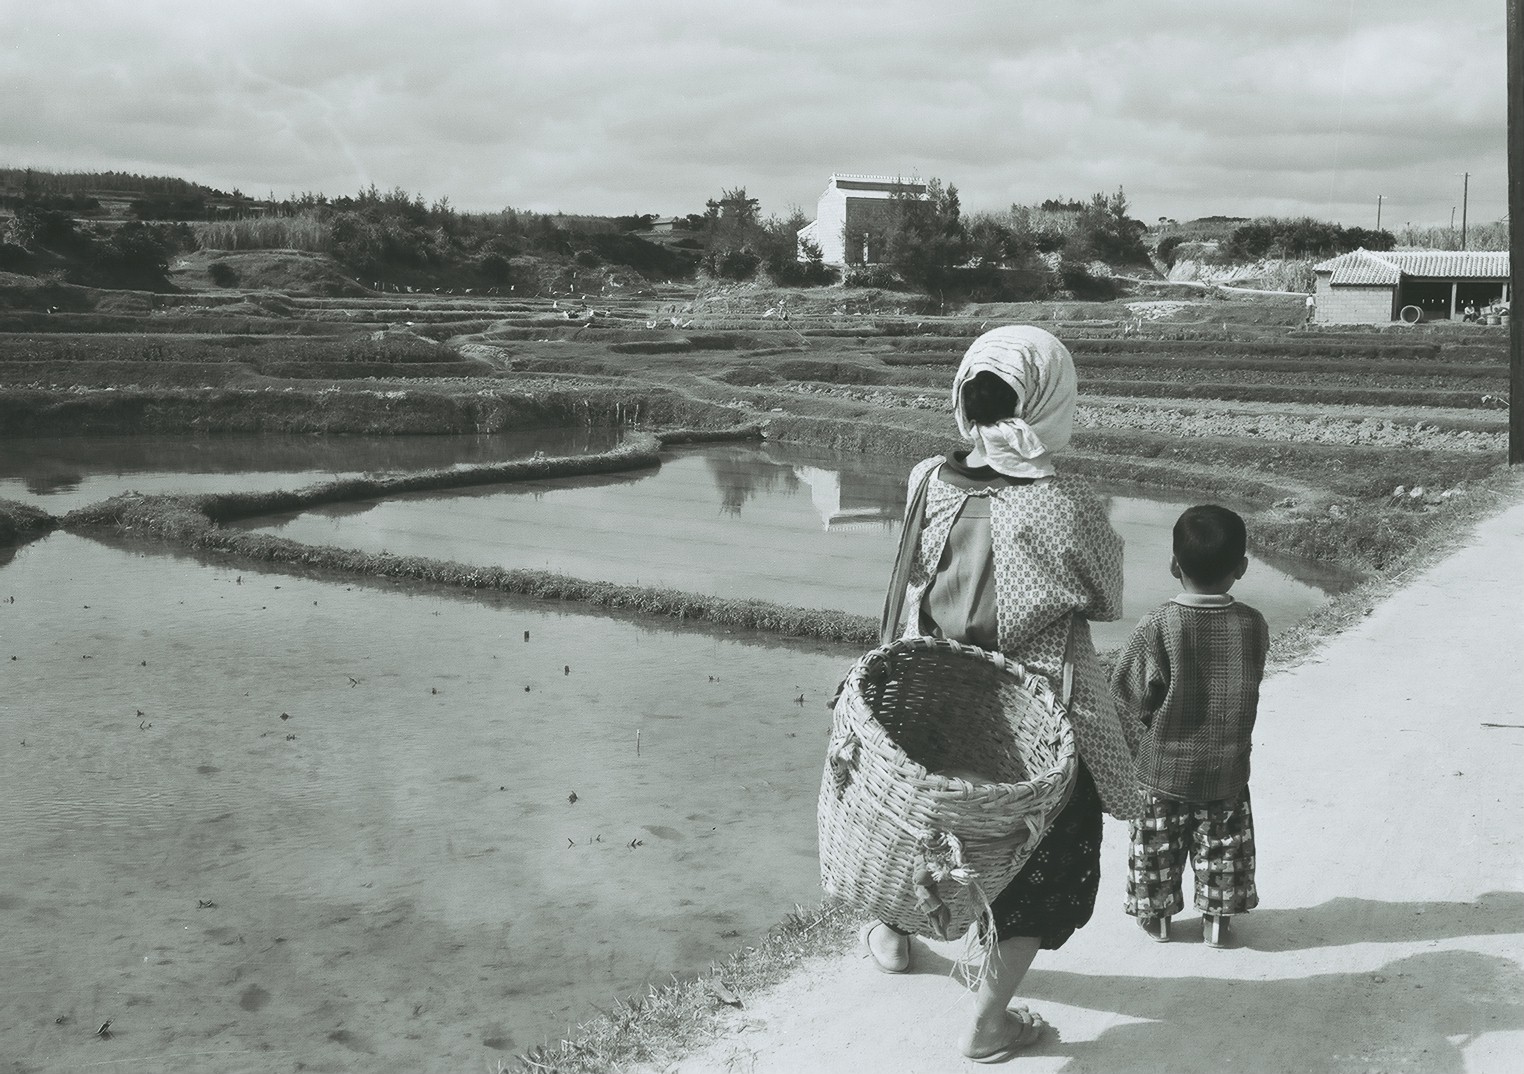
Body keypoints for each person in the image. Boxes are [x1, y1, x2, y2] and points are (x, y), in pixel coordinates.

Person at [860, 324, 1144, 1062]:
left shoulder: (927, 478)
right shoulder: (1064, 500)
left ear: (965, 394)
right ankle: (988, 1021)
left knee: (918, 818)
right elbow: (1106, 597)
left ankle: (891, 931)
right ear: (1050, 400)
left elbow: (914, 573)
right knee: (1045, 854)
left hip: (932, 688)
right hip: (1033, 709)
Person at [1110, 504, 1269, 949]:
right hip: (1226, 768)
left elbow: (1127, 697)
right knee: (1224, 846)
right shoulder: (1253, 624)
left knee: (1155, 847)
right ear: (1241, 568)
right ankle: (1217, 921)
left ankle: (1157, 918)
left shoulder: (1158, 625)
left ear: (1174, 565)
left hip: (1162, 770)